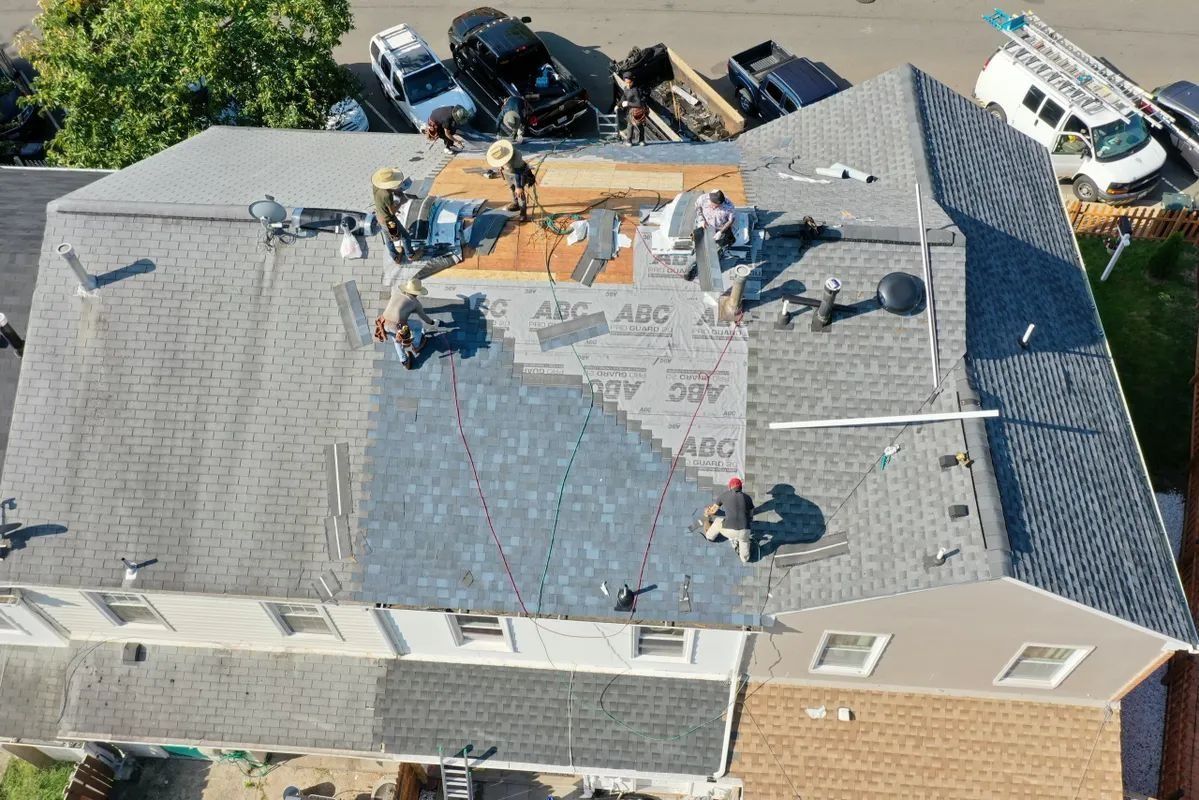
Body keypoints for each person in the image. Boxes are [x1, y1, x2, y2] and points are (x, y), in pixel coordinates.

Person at [373, 277, 440, 370]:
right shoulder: (415, 303)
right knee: (418, 325)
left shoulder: (396, 294)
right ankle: (416, 345)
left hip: (383, 322)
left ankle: (404, 360)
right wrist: (433, 322)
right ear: (417, 293)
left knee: (396, 340)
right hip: (397, 326)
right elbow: (424, 318)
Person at [701, 477, 754, 563]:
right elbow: (751, 516)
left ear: (730, 487)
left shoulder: (724, 495)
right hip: (745, 531)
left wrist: (707, 513)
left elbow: (713, 511)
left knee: (718, 520)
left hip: (729, 531)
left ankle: (710, 536)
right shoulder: (748, 498)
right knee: (744, 542)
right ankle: (745, 558)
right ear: (741, 487)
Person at [372, 168, 418, 265]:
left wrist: (396, 192)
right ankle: (410, 255)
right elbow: (392, 212)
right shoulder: (387, 195)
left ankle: (395, 257)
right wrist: (401, 202)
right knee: (405, 236)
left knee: (388, 239)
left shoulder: (376, 186)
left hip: (380, 217)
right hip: (389, 221)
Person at [486, 138, 536, 224]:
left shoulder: (516, 157)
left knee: (519, 193)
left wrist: (519, 187)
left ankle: (523, 213)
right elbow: (502, 161)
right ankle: (515, 204)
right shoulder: (500, 151)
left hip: (519, 173)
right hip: (509, 172)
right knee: (512, 189)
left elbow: (519, 173)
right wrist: (501, 166)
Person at [617, 73, 647, 147]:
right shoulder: (626, 89)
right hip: (631, 111)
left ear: (632, 82)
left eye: (629, 82)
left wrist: (627, 103)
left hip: (638, 110)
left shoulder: (635, 90)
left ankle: (641, 140)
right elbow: (623, 97)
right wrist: (618, 105)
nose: (628, 84)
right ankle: (629, 141)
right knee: (630, 125)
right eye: (626, 82)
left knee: (639, 125)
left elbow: (638, 104)